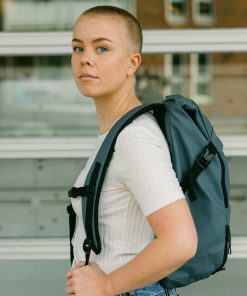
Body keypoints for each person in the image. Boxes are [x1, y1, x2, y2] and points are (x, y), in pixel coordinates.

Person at [65, 5, 197, 296]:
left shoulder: (134, 138)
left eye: (102, 49)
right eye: (78, 48)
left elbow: (181, 241)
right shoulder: (117, 133)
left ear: (132, 63)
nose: (85, 59)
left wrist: (107, 284)